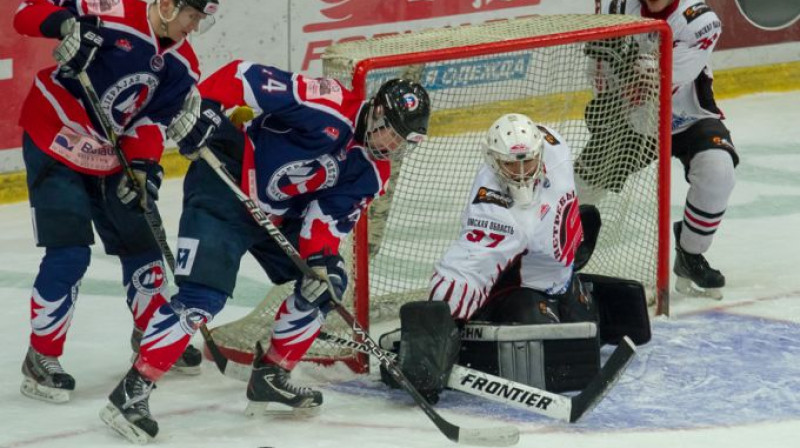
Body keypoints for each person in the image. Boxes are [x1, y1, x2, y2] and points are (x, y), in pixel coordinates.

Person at [101, 59, 431, 442]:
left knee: (328, 283)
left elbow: (324, 220)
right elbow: (243, 77)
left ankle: (271, 376)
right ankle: (132, 390)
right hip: (226, 182)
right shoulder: (327, 104)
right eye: (392, 131)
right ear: (375, 111)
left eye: (405, 140)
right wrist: (206, 107)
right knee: (202, 299)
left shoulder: (374, 173)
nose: (394, 145)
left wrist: (320, 262)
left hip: (277, 214)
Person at [12, 0, 219, 407]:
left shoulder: (183, 65)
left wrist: (142, 166)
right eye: (191, 16)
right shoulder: (112, 9)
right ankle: (42, 355)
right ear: (167, 5)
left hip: (110, 154)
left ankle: (150, 334)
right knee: (69, 254)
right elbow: (24, 13)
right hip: (56, 136)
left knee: (142, 246)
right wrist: (64, 24)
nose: (193, 27)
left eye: (200, 20)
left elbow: (152, 121)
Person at [577, 0, 737, 299]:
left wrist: (641, 69)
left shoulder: (698, 19)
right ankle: (550, 258)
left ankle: (690, 255)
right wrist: (606, 99)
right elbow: (599, 65)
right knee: (579, 190)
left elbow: (666, 76)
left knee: (719, 172)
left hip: (689, 119)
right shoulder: (618, 6)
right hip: (634, 122)